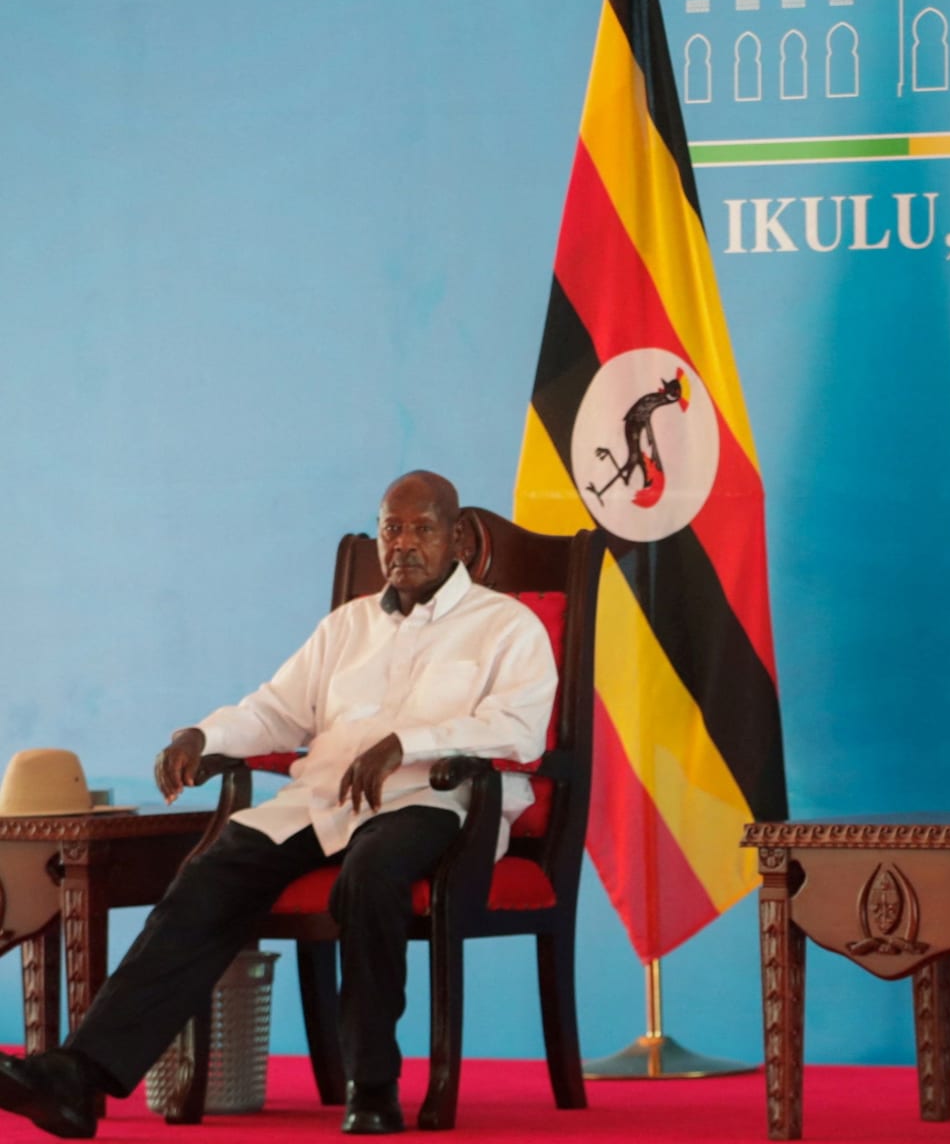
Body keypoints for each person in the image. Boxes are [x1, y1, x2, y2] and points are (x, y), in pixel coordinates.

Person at [0, 471, 557, 1139]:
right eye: (391, 529)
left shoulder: (506, 626)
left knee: (373, 874)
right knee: (211, 873)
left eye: (422, 529)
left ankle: (372, 1084)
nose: (403, 544)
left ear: (459, 539)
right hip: (325, 800)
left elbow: (519, 728)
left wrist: (406, 742)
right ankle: (78, 1078)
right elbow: (276, 709)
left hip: (436, 804)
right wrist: (203, 735)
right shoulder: (347, 626)